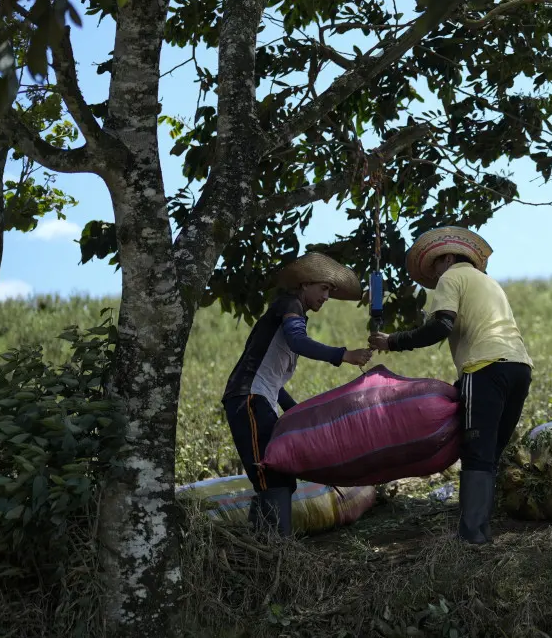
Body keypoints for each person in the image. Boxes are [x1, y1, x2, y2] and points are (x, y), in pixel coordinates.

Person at [369, 227, 532, 545]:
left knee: (476, 452)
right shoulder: (489, 283)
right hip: (520, 367)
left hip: (484, 368)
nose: (435, 274)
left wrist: (392, 342)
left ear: (445, 258)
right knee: (492, 451)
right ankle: (483, 531)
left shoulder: (451, 278)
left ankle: (471, 537)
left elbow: (440, 325)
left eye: (435, 267)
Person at [222, 252, 373, 537]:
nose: (327, 297)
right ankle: (275, 550)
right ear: (305, 284)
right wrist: (344, 355)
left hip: (261, 397)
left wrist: (299, 414)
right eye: (324, 288)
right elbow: (298, 341)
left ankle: (270, 545)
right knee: (271, 474)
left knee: (278, 474)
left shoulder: (289, 312)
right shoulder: (289, 305)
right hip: (248, 399)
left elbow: (275, 382)